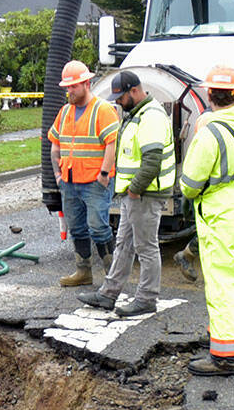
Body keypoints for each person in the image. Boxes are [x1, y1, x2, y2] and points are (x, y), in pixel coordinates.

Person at [179, 66, 234, 376]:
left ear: (209, 94)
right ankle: (221, 333)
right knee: (233, 283)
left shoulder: (210, 132)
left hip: (220, 219)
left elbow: (189, 184)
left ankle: (225, 357)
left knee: (220, 288)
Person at [77, 71, 176, 316]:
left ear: (134, 91)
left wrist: (134, 190)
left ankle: (146, 299)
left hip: (145, 195)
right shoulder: (137, 114)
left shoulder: (150, 117)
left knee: (146, 247)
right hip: (135, 195)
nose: (118, 102)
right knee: (123, 244)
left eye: (121, 97)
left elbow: (151, 161)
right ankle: (108, 294)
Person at [48, 60, 119, 286]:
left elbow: (111, 145)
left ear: (86, 84)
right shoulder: (65, 111)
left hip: (95, 183)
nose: (69, 91)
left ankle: (113, 275)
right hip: (69, 182)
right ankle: (83, 272)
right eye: (67, 87)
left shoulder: (102, 110)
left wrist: (104, 175)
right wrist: (58, 176)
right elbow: (55, 145)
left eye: (73, 87)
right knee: (77, 227)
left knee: (99, 227)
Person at [172, 83, 234, 283]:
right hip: (208, 183)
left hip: (207, 181)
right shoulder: (211, 121)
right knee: (211, 231)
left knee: (208, 230)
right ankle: (192, 258)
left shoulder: (217, 120)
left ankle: (188, 256)